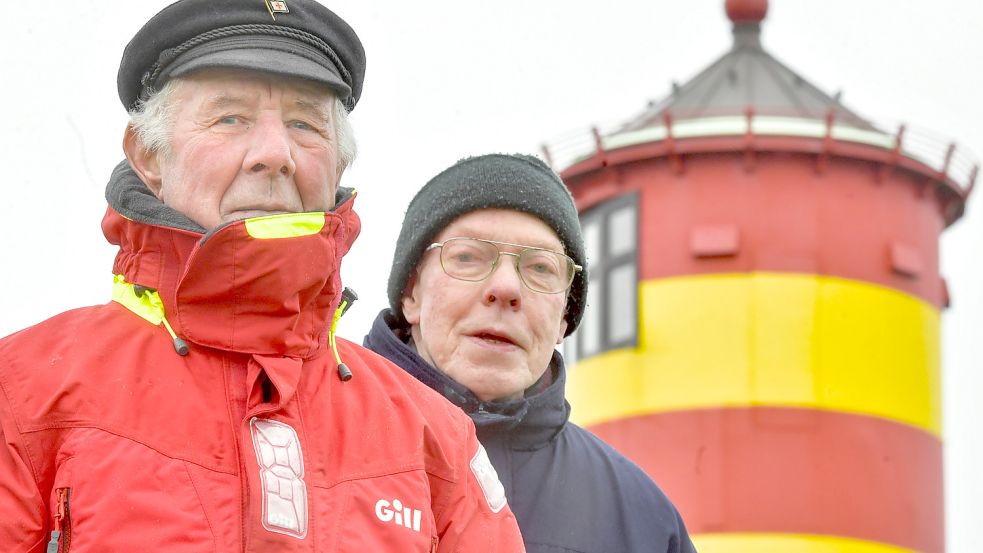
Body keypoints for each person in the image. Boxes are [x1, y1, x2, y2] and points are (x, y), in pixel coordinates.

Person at [0, 2, 525, 551]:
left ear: (339, 166)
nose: (276, 154)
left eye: (304, 124)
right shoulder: (22, 395)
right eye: (231, 117)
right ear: (148, 156)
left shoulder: (434, 437)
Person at [364, 153, 697, 553]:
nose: (506, 288)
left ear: (563, 320)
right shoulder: (303, 448)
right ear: (411, 293)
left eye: (540, 268)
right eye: (467, 257)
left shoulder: (645, 521)